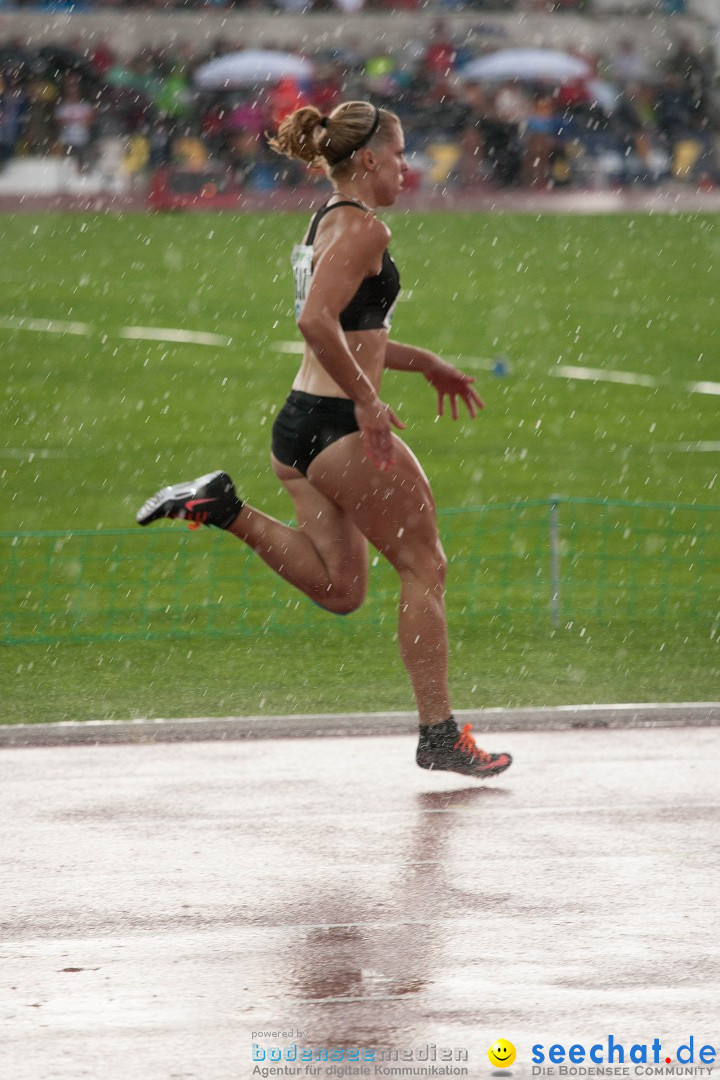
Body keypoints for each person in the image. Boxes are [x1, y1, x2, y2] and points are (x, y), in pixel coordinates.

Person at [136, 100, 512, 781]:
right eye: (400, 156)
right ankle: (439, 734)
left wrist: (421, 362)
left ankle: (224, 507)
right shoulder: (366, 229)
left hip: (301, 425)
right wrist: (368, 401)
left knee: (343, 590)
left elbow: (351, 330)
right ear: (369, 159)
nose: (408, 168)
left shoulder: (327, 220)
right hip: (341, 425)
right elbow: (317, 322)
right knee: (425, 567)